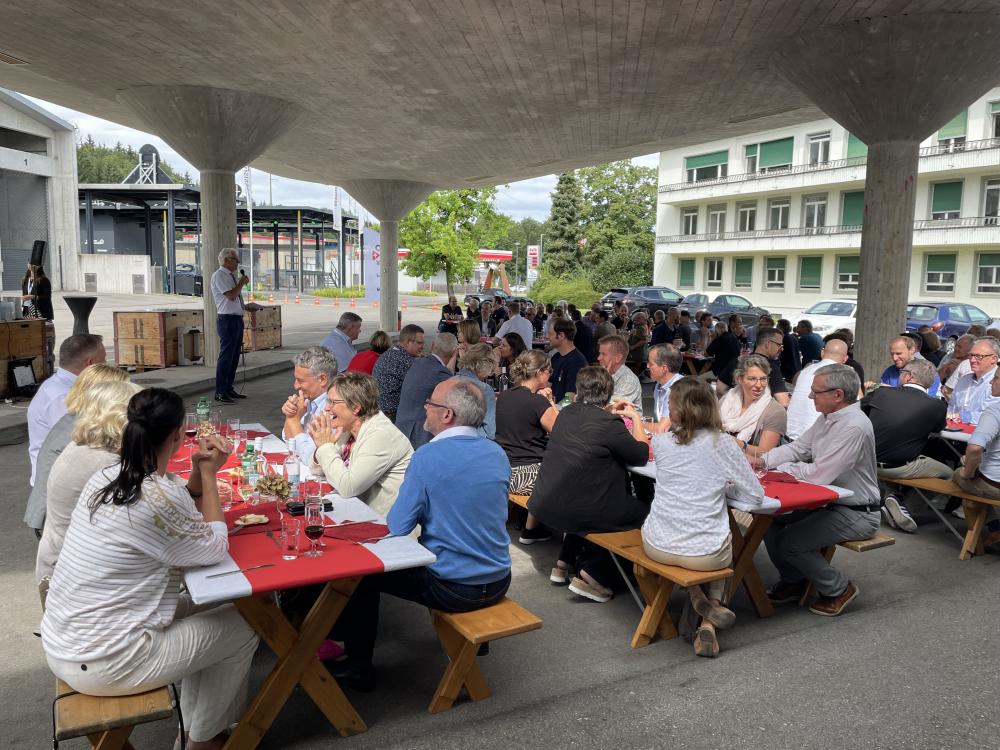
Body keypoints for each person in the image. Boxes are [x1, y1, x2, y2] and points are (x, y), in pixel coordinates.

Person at [41, 388, 258, 750]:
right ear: (178, 435)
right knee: (246, 625)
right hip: (108, 659)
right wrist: (208, 475)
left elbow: (174, 504)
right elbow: (215, 546)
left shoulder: (108, 476)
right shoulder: (155, 498)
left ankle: (195, 728)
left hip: (67, 640)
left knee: (229, 606)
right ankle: (202, 740)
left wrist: (196, 472)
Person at [329, 378, 512, 690]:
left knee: (360, 576)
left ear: (447, 415)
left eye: (431, 404)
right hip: (498, 577)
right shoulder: (496, 452)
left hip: (455, 586)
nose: (424, 407)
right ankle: (476, 642)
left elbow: (398, 528)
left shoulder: (427, 457)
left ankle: (359, 667)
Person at [642, 378, 766, 657]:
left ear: (676, 409)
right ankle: (708, 625)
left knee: (700, 535)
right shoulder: (721, 443)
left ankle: (698, 598)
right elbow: (755, 494)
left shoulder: (661, 443)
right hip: (703, 553)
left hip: (657, 543)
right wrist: (725, 485)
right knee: (725, 544)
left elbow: (686, 475)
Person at [755, 364, 880, 617]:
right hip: (832, 503)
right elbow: (798, 448)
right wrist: (763, 461)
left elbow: (821, 474)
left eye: (815, 391)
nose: (810, 396)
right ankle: (794, 581)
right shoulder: (829, 418)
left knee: (792, 542)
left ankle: (839, 588)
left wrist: (787, 469)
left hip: (857, 511)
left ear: (837, 395)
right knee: (770, 521)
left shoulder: (854, 426)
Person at [528, 366, 650, 602]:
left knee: (588, 494)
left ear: (578, 390)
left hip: (547, 503)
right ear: (608, 393)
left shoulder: (566, 413)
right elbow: (641, 455)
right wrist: (634, 417)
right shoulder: (609, 424)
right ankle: (597, 574)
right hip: (581, 510)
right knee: (647, 514)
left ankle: (563, 563)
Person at [36, 380, 142, 595]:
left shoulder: (85, 447)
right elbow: (155, 512)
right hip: (78, 582)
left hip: (62, 567)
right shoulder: (105, 464)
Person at [24, 362, 128, 536]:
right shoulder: (85, 428)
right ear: (105, 395)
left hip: (52, 513)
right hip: (58, 522)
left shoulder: (76, 418)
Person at [860, 358, 951, 533]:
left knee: (906, 451)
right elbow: (938, 429)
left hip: (865, 460)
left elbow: (857, 412)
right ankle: (905, 505)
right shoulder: (937, 406)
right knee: (949, 474)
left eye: (902, 373)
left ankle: (896, 500)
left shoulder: (881, 394)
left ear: (908, 376)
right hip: (899, 466)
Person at [308, 371, 413, 516]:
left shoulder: (380, 435)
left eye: (333, 402)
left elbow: (348, 487)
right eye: (327, 401)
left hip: (387, 526)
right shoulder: (349, 428)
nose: (326, 408)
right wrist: (322, 446)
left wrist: (326, 448)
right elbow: (319, 471)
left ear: (355, 408)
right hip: (358, 513)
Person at [27, 333, 106, 487]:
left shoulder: (60, 385)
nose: (107, 365)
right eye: (103, 360)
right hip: (56, 482)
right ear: (91, 364)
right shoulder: (63, 396)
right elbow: (78, 441)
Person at [495, 350, 559, 542]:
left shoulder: (505, 396)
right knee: (563, 471)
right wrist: (549, 402)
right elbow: (561, 430)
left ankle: (524, 522)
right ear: (539, 372)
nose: (550, 375)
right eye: (549, 371)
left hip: (503, 467)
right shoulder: (537, 402)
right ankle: (531, 530)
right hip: (527, 473)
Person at [954, 374, 1000, 553]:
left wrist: (967, 471)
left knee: (958, 473)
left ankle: (994, 527)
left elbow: (974, 448)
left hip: (994, 484)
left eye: (996, 378)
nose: (990, 382)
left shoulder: (995, 411)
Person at [395, 332, 458, 449]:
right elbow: (455, 391)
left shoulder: (418, 362)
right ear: (454, 352)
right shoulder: (440, 373)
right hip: (417, 433)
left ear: (433, 345)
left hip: (401, 424)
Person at [281, 346, 337, 467]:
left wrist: (293, 420)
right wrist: (290, 415)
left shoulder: (332, 408)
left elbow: (311, 458)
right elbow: (289, 441)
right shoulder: (310, 401)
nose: (296, 386)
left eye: (301, 381)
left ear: (322, 379)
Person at [721, 355, 786, 455]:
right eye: (752, 379)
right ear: (739, 379)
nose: (759, 385)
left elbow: (765, 453)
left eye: (763, 379)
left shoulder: (775, 412)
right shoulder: (727, 399)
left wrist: (737, 444)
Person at [786, 338, 849, 441]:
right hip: (813, 443)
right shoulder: (843, 376)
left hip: (788, 436)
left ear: (822, 353)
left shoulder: (805, 371)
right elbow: (856, 409)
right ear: (845, 359)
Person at [210, 248, 249, 404]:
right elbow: (231, 296)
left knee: (234, 356)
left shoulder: (229, 276)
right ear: (227, 260)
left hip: (235, 318)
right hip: (227, 320)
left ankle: (228, 387)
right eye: (235, 260)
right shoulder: (219, 275)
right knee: (226, 356)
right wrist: (241, 282)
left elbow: (235, 298)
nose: (237, 263)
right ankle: (220, 391)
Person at [717, 328, 790, 407]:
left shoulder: (737, 361)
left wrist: (736, 402)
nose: (782, 349)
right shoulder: (770, 367)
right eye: (779, 345)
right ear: (768, 344)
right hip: (758, 417)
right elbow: (784, 402)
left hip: (732, 414)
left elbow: (720, 388)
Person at [372, 324, 425, 421]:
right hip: (392, 415)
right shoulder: (406, 361)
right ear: (408, 342)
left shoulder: (392, 352)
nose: (423, 347)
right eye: (419, 343)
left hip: (377, 409)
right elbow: (424, 386)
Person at [947, 336, 1000, 425]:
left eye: (979, 356)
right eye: (971, 355)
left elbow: (992, 415)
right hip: (954, 432)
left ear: (993, 359)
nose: (972, 360)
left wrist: (962, 417)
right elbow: (952, 406)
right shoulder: (964, 379)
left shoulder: (997, 383)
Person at [456, 343, 498, 439]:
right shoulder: (485, 389)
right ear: (486, 365)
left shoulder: (448, 382)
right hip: (473, 441)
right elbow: (490, 431)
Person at [548, 318, 587, 403]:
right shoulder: (556, 357)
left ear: (561, 336)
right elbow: (549, 384)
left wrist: (556, 411)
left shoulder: (577, 362)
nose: (547, 337)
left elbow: (571, 397)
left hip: (564, 412)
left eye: (550, 334)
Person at [597, 334, 642, 409]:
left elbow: (611, 409)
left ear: (618, 358)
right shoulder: (603, 374)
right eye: (599, 353)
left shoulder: (628, 380)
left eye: (603, 354)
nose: (598, 358)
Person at [648, 344, 685, 423]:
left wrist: (636, 419)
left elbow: (662, 428)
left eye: (651, 364)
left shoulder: (679, 390)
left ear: (664, 368)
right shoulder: (659, 385)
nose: (647, 366)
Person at [707, 315, 743, 380]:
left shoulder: (720, 339)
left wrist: (713, 339)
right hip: (733, 372)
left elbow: (706, 354)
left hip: (719, 373)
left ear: (717, 331)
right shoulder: (735, 338)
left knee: (699, 379)